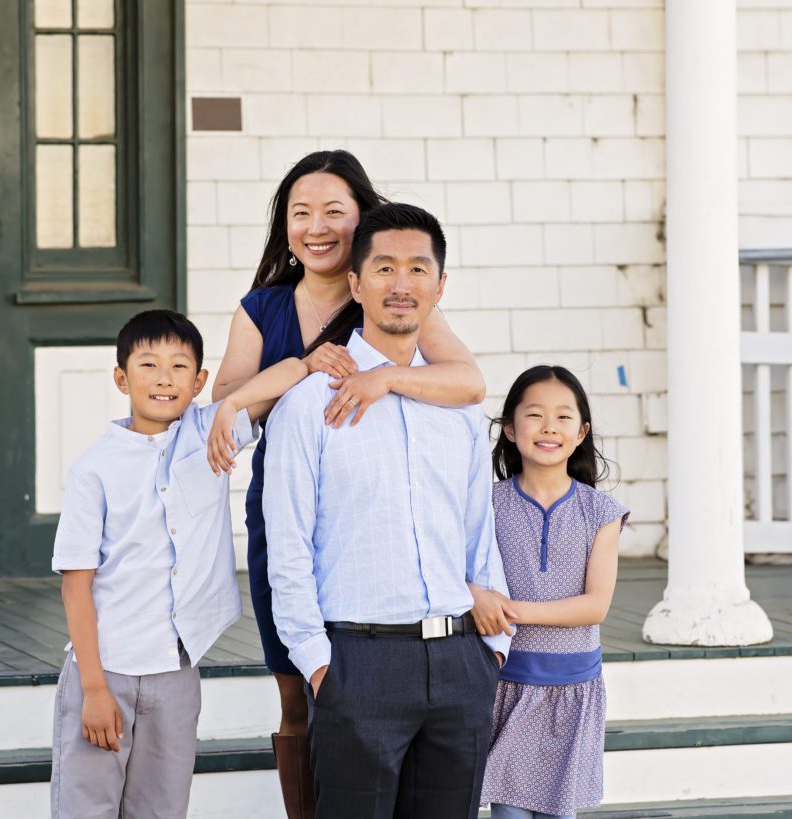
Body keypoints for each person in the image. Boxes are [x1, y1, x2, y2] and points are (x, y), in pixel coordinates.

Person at [206, 150, 486, 817]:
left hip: (379, 515)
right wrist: (303, 368)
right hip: (291, 501)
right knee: (296, 688)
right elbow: (228, 409)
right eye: (301, 212)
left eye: (334, 211)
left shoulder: (396, 293)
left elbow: (468, 383)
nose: (317, 227)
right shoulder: (265, 307)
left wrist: (383, 377)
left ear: (362, 218)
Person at [262, 203, 511, 819]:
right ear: (355, 283)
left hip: (459, 664)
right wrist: (318, 664)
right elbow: (287, 545)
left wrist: (492, 649)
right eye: (384, 268)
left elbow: (478, 531)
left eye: (418, 269)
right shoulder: (307, 404)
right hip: (357, 664)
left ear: (440, 286)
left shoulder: (458, 409)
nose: (402, 284)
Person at [50, 309, 305, 819]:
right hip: (106, 670)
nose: (164, 378)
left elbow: (294, 371)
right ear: (121, 378)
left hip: (176, 671)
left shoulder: (212, 431)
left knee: (162, 809)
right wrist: (94, 689)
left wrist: (233, 403)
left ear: (199, 381)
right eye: (148, 365)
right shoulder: (94, 470)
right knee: (87, 808)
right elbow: (76, 586)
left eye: (179, 366)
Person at [475, 365, 630, 819]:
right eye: (535, 415)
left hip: (572, 689)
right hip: (506, 684)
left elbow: (595, 606)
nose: (548, 427)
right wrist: (476, 597)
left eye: (563, 417)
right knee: (509, 813)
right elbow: (463, 576)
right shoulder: (487, 504)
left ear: (581, 432)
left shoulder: (601, 511)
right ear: (509, 428)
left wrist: (510, 610)